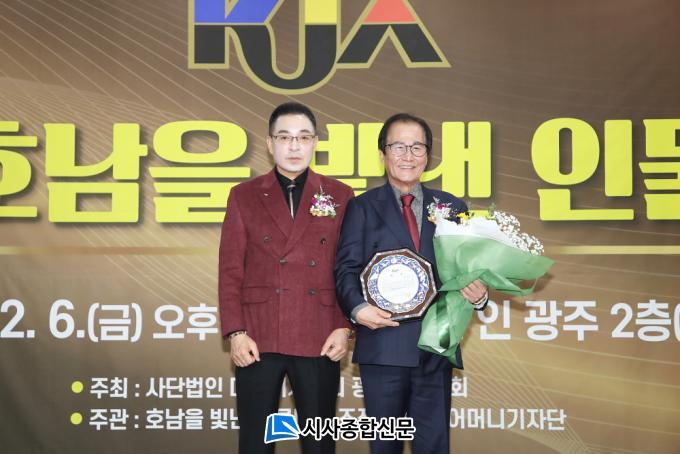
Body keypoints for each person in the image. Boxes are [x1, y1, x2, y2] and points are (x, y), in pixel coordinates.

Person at [334, 113, 488, 454]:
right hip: (383, 345)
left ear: (428, 156)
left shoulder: (451, 206)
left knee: (434, 446)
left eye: (417, 147)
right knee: (384, 447)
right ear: (383, 154)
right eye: (398, 147)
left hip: (435, 346)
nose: (408, 155)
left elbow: (468, 269)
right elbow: (345, 269)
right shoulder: (361, 207)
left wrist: (479, 295)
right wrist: (358, 309)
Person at [218, 102, 354, 454]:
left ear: (315, 143)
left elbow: (347, 267)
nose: (294, 146)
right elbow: (230, 269)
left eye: (303, 137)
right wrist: (236, 332)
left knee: (319, 442)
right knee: (255, 442)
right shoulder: (244, 195)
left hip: (319, 333)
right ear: (270, 143)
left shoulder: (339, 194)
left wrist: (343, 326)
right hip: (257, 334)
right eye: (285, 137)